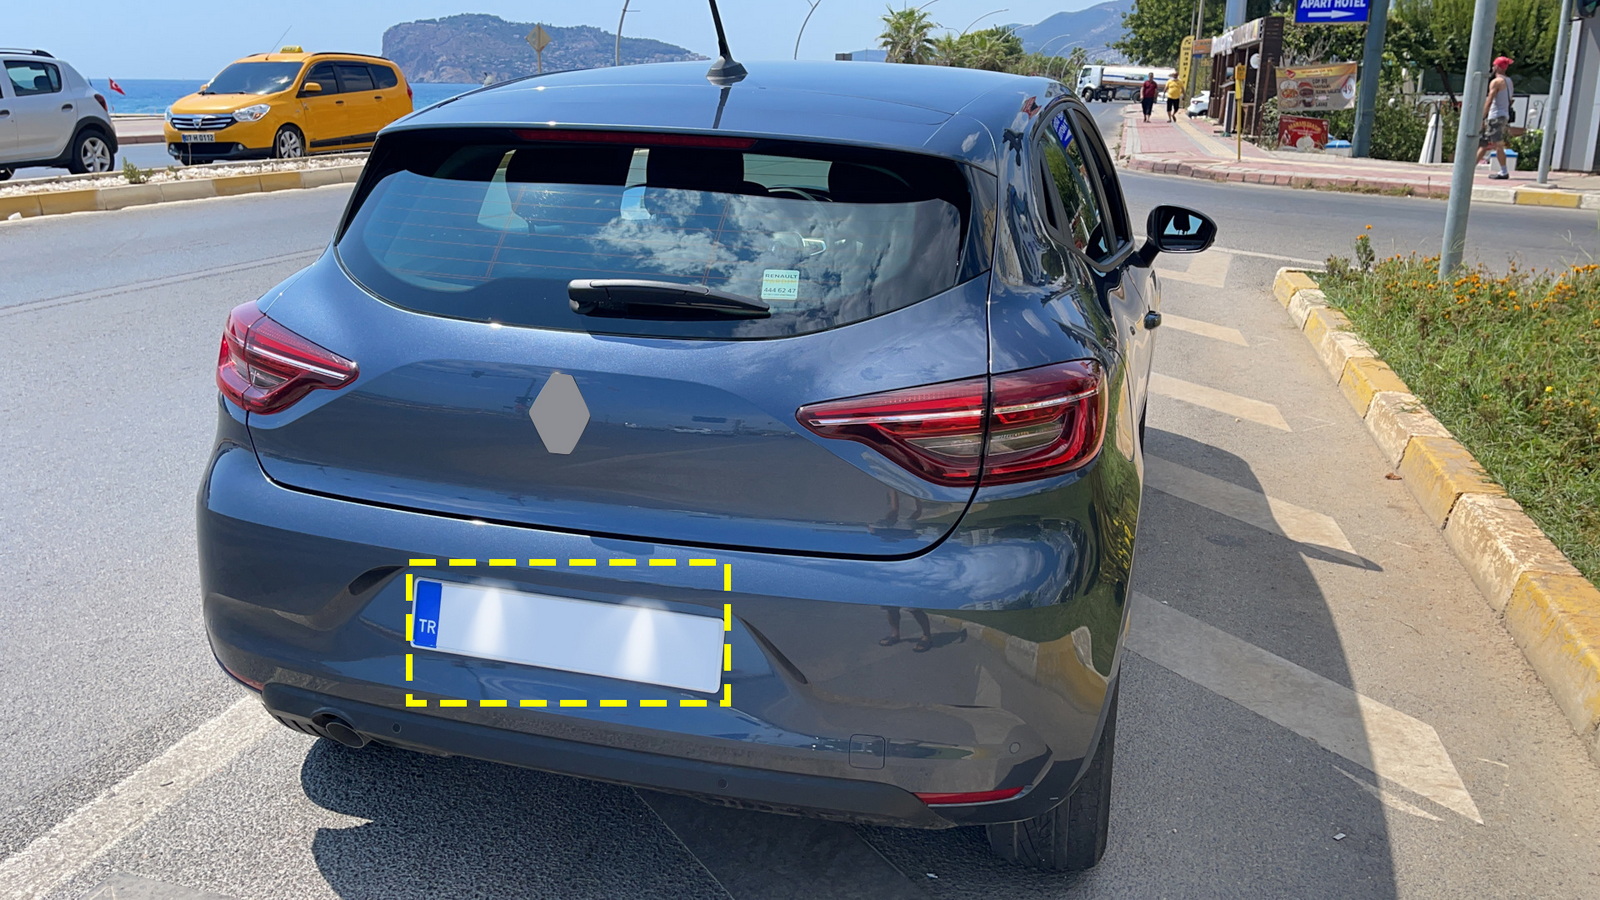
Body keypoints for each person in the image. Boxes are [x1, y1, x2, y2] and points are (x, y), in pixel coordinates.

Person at [1475, 56, 1514, 180]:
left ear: (1497, 67)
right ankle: (1469, 168)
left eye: (1493, 65)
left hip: (1495, 116)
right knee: (1484, 143)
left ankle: (1504, 171)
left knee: (1498, 145)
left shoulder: (1496, 82)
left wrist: (1482, 117)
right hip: (1503, 115)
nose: (1492, 68)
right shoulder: (1509, 81)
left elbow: (1490, 99)